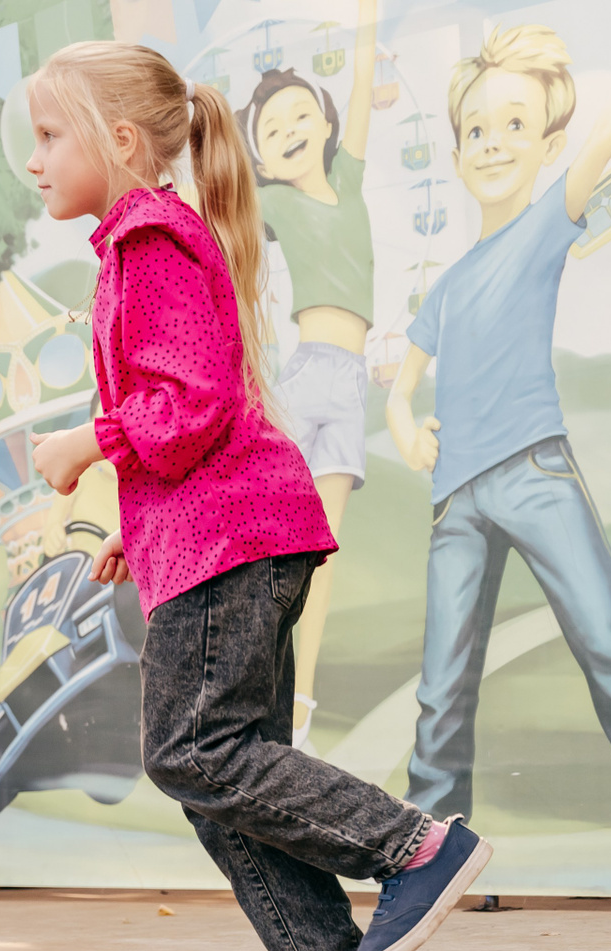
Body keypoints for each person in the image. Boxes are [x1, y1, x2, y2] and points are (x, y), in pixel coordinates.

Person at [24, 41, 492, 951]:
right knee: (221, 772)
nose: (35, 157)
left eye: (50, 134)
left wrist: (86, 441)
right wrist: (135, 523)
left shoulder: (152, 238)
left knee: (194, 750)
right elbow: (191, 414)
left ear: (122, 140)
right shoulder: (135, 245)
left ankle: (414, 846)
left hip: (232, 542)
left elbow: (192, 402)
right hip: (217, 535)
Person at [385, 15, 611, 867]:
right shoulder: (448, 284)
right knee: (441, 690)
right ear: (456, 151)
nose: (493, 143)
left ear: (548, 146)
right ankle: (430, 859)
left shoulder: (548, 220)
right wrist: (406, 427)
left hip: (535, 470)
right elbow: (402, 384)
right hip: (456, 501)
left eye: (515, 125)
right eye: (476, 130)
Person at [240, 0, 379, 751]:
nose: (290, 129)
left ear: (324, 125)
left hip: (350, 387)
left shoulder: (348, 178)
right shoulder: (274, 200)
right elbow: (217, 198)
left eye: (300, 115)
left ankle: (297, 710)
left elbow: (360, 82)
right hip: (304, 379)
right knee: (270, 542)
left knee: (321, 556)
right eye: (271, 129)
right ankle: (246, 683)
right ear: (261, 159)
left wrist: (367, 20)